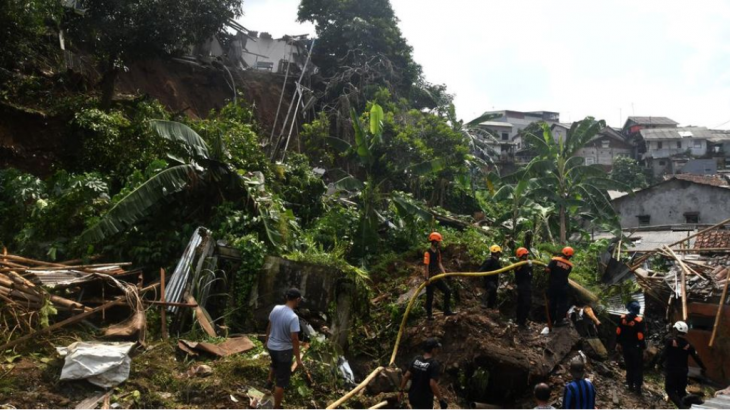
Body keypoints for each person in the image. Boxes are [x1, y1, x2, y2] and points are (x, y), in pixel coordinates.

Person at [265, 288, 304, 409]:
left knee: (274, 363)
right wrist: (298, 359)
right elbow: (295, 339)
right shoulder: (293, 317)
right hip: (284, 351)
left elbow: (269, 326)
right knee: (281, 381)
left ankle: (269, 381)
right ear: (297, 300)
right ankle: (277, 406)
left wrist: (267, 341)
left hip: (272, 346)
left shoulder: (276, 308)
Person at [661, 321, 707, 409]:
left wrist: (657, 364)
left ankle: (683, 407)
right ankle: (698, 404)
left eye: (674, 329)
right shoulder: (689, 345)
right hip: (683, 372)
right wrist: (703, 367)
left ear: (677, 330)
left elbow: (663, 355)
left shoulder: (670, 341)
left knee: (670, 390)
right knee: (681, 392)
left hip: (671, 371)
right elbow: (696, 358)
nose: (673, 330)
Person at [399, 338, 448, 409]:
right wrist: (441, 400)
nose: (437, 350)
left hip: (413, 396)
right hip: (425, 400)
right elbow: (432, 384)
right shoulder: (434, 364)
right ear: (433, 349)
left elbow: (406, 375)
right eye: (436, 348)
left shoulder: (416, 359)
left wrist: (400, 390)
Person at [615, 300, 646, 395]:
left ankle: (630, 385)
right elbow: (640, 336)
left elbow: (618, 331)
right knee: (637, 367)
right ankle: (638, 388)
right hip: (636, 348)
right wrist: (643, 348)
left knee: (629, 366)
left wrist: (618, 343)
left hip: (625, 347)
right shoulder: (639, 321)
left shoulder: (622, 318)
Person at [424, 232, 455, 320]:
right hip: (430, 278)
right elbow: (426, 266)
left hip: (437, 277)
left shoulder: (438, 252)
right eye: (438, 241)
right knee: (430, 297)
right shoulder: (427, 253)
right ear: (434, 242)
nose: (439, 243)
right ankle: (429, 315)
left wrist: (445, 274)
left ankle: (446, 310)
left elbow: (439, 263)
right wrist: (426, 278)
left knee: (447, 291)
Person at [545, 247, 574, 327]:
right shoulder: (570, 265)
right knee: (562, 304)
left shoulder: (554, 260)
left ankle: (551, 320)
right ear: (570, 256)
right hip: (563, 287)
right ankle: (559, 321)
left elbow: (547, 270)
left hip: (553, 286)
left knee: (552, 303)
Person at [514, 247, 533, 327]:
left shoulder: (521, 265)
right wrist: (530, 267)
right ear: (523, 255)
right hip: (525, 287)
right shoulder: (521, 265)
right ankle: (521, 322)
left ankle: (519, 321)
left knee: (521, 304)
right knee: (526, 304)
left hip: (521, 287)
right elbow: (529, 276)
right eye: (526, 255)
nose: (527, 256)